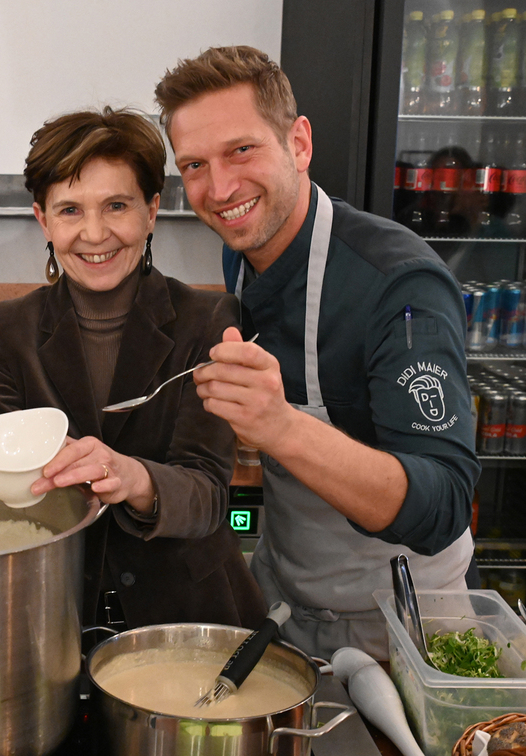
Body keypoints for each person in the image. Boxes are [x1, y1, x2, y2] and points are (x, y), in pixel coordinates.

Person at [155, 46, 478, 658]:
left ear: (298, 144)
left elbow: (444, 505)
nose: (220, 188)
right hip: (284, 599)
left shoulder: (401, 286)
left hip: (404, 629)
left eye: (241, 150)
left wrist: (280, 427)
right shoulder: (243, 252)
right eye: (194, 164)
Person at [0, 108, 266, 631]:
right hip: (54, 614)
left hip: (188, 618)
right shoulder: (11, 327)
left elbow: (208, 498)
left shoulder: (208, 322)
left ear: (151, 210)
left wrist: (134, 477)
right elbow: (6, 496)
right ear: (43, 219)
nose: (95, 233)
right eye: (70, 210)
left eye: (117, 205)